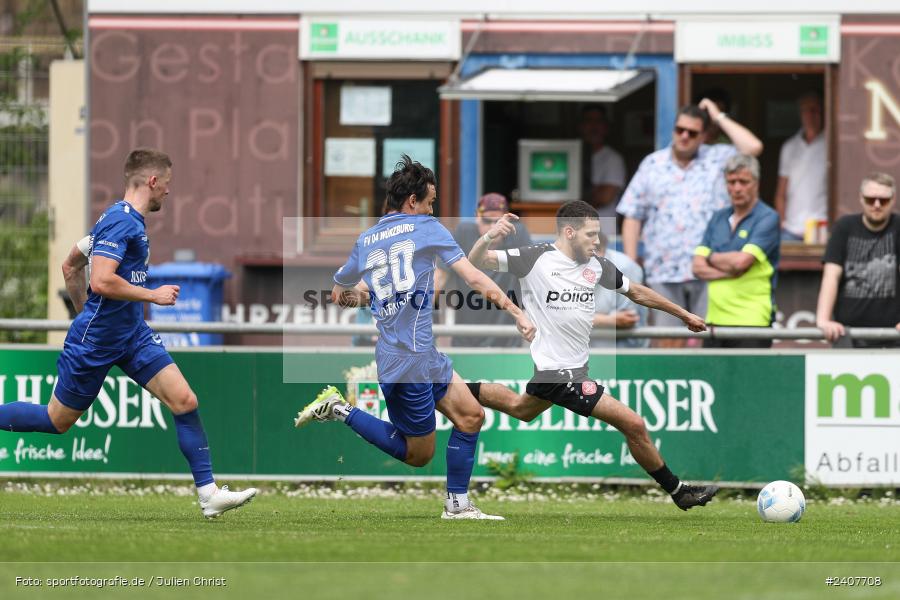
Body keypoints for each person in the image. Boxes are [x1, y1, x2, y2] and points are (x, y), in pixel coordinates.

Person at [0, 148, 257, 518]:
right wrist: (150, 295)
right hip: (98, 340)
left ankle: (209, 494)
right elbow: (102, 280)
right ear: (152, 181)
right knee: (57, 421)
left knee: (185, 401)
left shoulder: (119, 219)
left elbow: (71, 265)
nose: (168, 192)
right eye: (167, 184)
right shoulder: (121, 223)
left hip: (131, 333)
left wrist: (82, 311)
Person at [293, 155, 536, 520]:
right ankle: (340, 409)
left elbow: (339, 295)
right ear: (413, 202)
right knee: (418, 455)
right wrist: (516, 311)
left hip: (421, 354)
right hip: (406, 361)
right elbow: (472, 277)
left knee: (470, 416)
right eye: (430, 202)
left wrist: (373, 294)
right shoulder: (429, 228)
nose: (432, 208)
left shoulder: (367, 239)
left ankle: (457, 505)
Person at [467, 200, 718, 511]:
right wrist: (490, 236)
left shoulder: (596, 266)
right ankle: (679, 491)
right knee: (634, 424)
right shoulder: (534, 257)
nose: (597, 241)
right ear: (569, 232)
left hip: (571, 369)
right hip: (560, 374)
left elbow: (636, 291)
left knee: (521, 408)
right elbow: (476, 261)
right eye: (590, 234)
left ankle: (453, 389)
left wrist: (684, 314)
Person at [618, 100, 763, 348]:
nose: (684, 136)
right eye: (679, 130)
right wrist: (632, 264)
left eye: (692, 132)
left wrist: (718, 116)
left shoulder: (718, 157)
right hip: (663, 269)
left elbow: (753, 147)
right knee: (666, 343)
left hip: (708, 269)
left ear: (704, 135)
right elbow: (632, 215)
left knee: (706, 339)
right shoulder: (652, 164)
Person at [692, 155, 781, 348]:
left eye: (743, 181)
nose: (737, 188)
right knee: (712, 379)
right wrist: (729, 270)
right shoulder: (718, 217)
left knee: (750, 379)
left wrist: (711, 257)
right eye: (731, 182)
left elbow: (741, 262)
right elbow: (697, 267)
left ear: (756, 183)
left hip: (753, 319)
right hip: (714, 319)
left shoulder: (768, 217)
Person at [434, 192, 532, 347]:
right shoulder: (464, 232)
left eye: (499, 221)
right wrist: (420, 313)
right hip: (467, 335)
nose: (494, 227)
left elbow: (535, 276)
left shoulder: (517, 235)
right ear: (476, 217)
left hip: (507, 338)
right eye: (487, 221)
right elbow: (440, 277)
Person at [816, 172, 900, 348]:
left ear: (893, 200)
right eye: (871, 199)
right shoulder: (844, 226)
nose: (876, 205)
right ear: (861, 199)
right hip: (848, 334)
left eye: (883, 200)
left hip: (894, 334)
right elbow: (831, 275)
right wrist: (823, 319)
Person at [774, 91, 827, 242]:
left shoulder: (831, 145)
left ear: (822, 112)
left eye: (814, 110)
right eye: (805, 110)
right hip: (791, 228)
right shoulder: (789, 147)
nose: (810, 115)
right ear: (800, 114)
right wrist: (781, 222)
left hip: (822, 225)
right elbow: (781, 191)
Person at [591, 230, 648, 349]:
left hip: (622, 350)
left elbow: (626, 320)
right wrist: (607, 320)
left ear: (603, 250)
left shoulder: (626, 267)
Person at [580, 104, 627, 219]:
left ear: (606, 127)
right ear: (580, 126)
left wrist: (575, 195)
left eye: (598, 121)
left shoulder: (613, 159)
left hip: (603, 231)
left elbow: (605, 197)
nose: (593, 126)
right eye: (588, 121)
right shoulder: (574, 156)